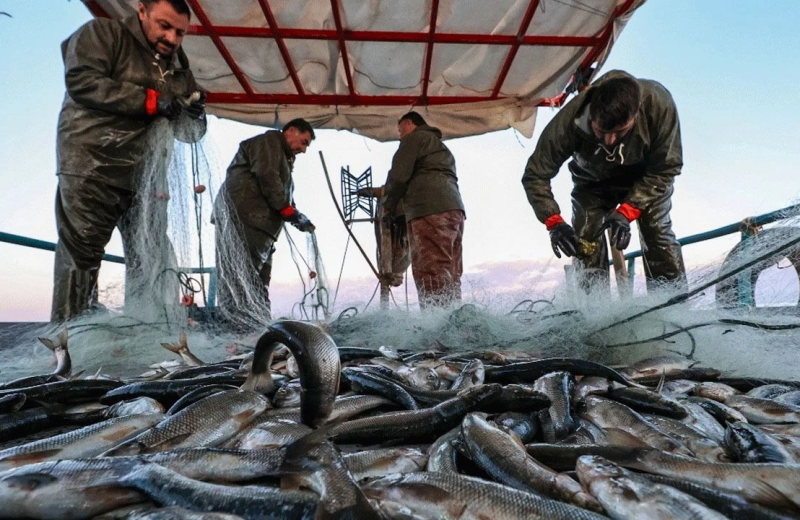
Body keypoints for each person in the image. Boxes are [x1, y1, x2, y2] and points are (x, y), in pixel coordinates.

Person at [51, 0, 207, 322]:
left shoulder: (179, 66)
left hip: (148, 178)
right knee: (82, 255)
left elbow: (191, 134)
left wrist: (195, 114)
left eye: (179, 32)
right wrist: (152, 100)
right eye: (164, 25)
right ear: (141, 10)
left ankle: (144, 336)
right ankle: (66, 347)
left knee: (149, 258)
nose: (171, 38)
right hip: (94, 164)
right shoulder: (105, 33)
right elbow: (82, 80)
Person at [522, 70, 686, 292]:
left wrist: (627, 211)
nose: (609, 141)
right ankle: (593, 313)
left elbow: (667, 167)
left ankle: (672, 306)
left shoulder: (659, 104)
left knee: (657, 233)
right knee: (586, 240)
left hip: (647, 179)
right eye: (601, 132)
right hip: (593, 184)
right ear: (591, 114)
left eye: (619, 133)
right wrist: (554, 222)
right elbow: (535, 174)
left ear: (635, 115)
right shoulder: (571, 119)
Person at [213, 119, 316, 327]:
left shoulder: (284, 160)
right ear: (291, 131)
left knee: (257, 283)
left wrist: (297, 216)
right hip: (243, 220)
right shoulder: (269, 142)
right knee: (239, 278)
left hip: (262, 228)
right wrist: (286, 210)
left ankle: (257, 328)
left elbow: (282, 194)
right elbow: (267, 176)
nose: (303, 150)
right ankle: (235, 329)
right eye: (303, 142)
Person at [382, 111, 466, 308]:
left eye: (400, 129)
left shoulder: (415, 138)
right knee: (451, 272)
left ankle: (435, 327)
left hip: (428, 211)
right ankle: (454, 322)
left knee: (430, 270)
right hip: (454, 211)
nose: (400, 134)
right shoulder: (440, 148)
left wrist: (388, 206)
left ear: (409, 123)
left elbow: (398, 177)